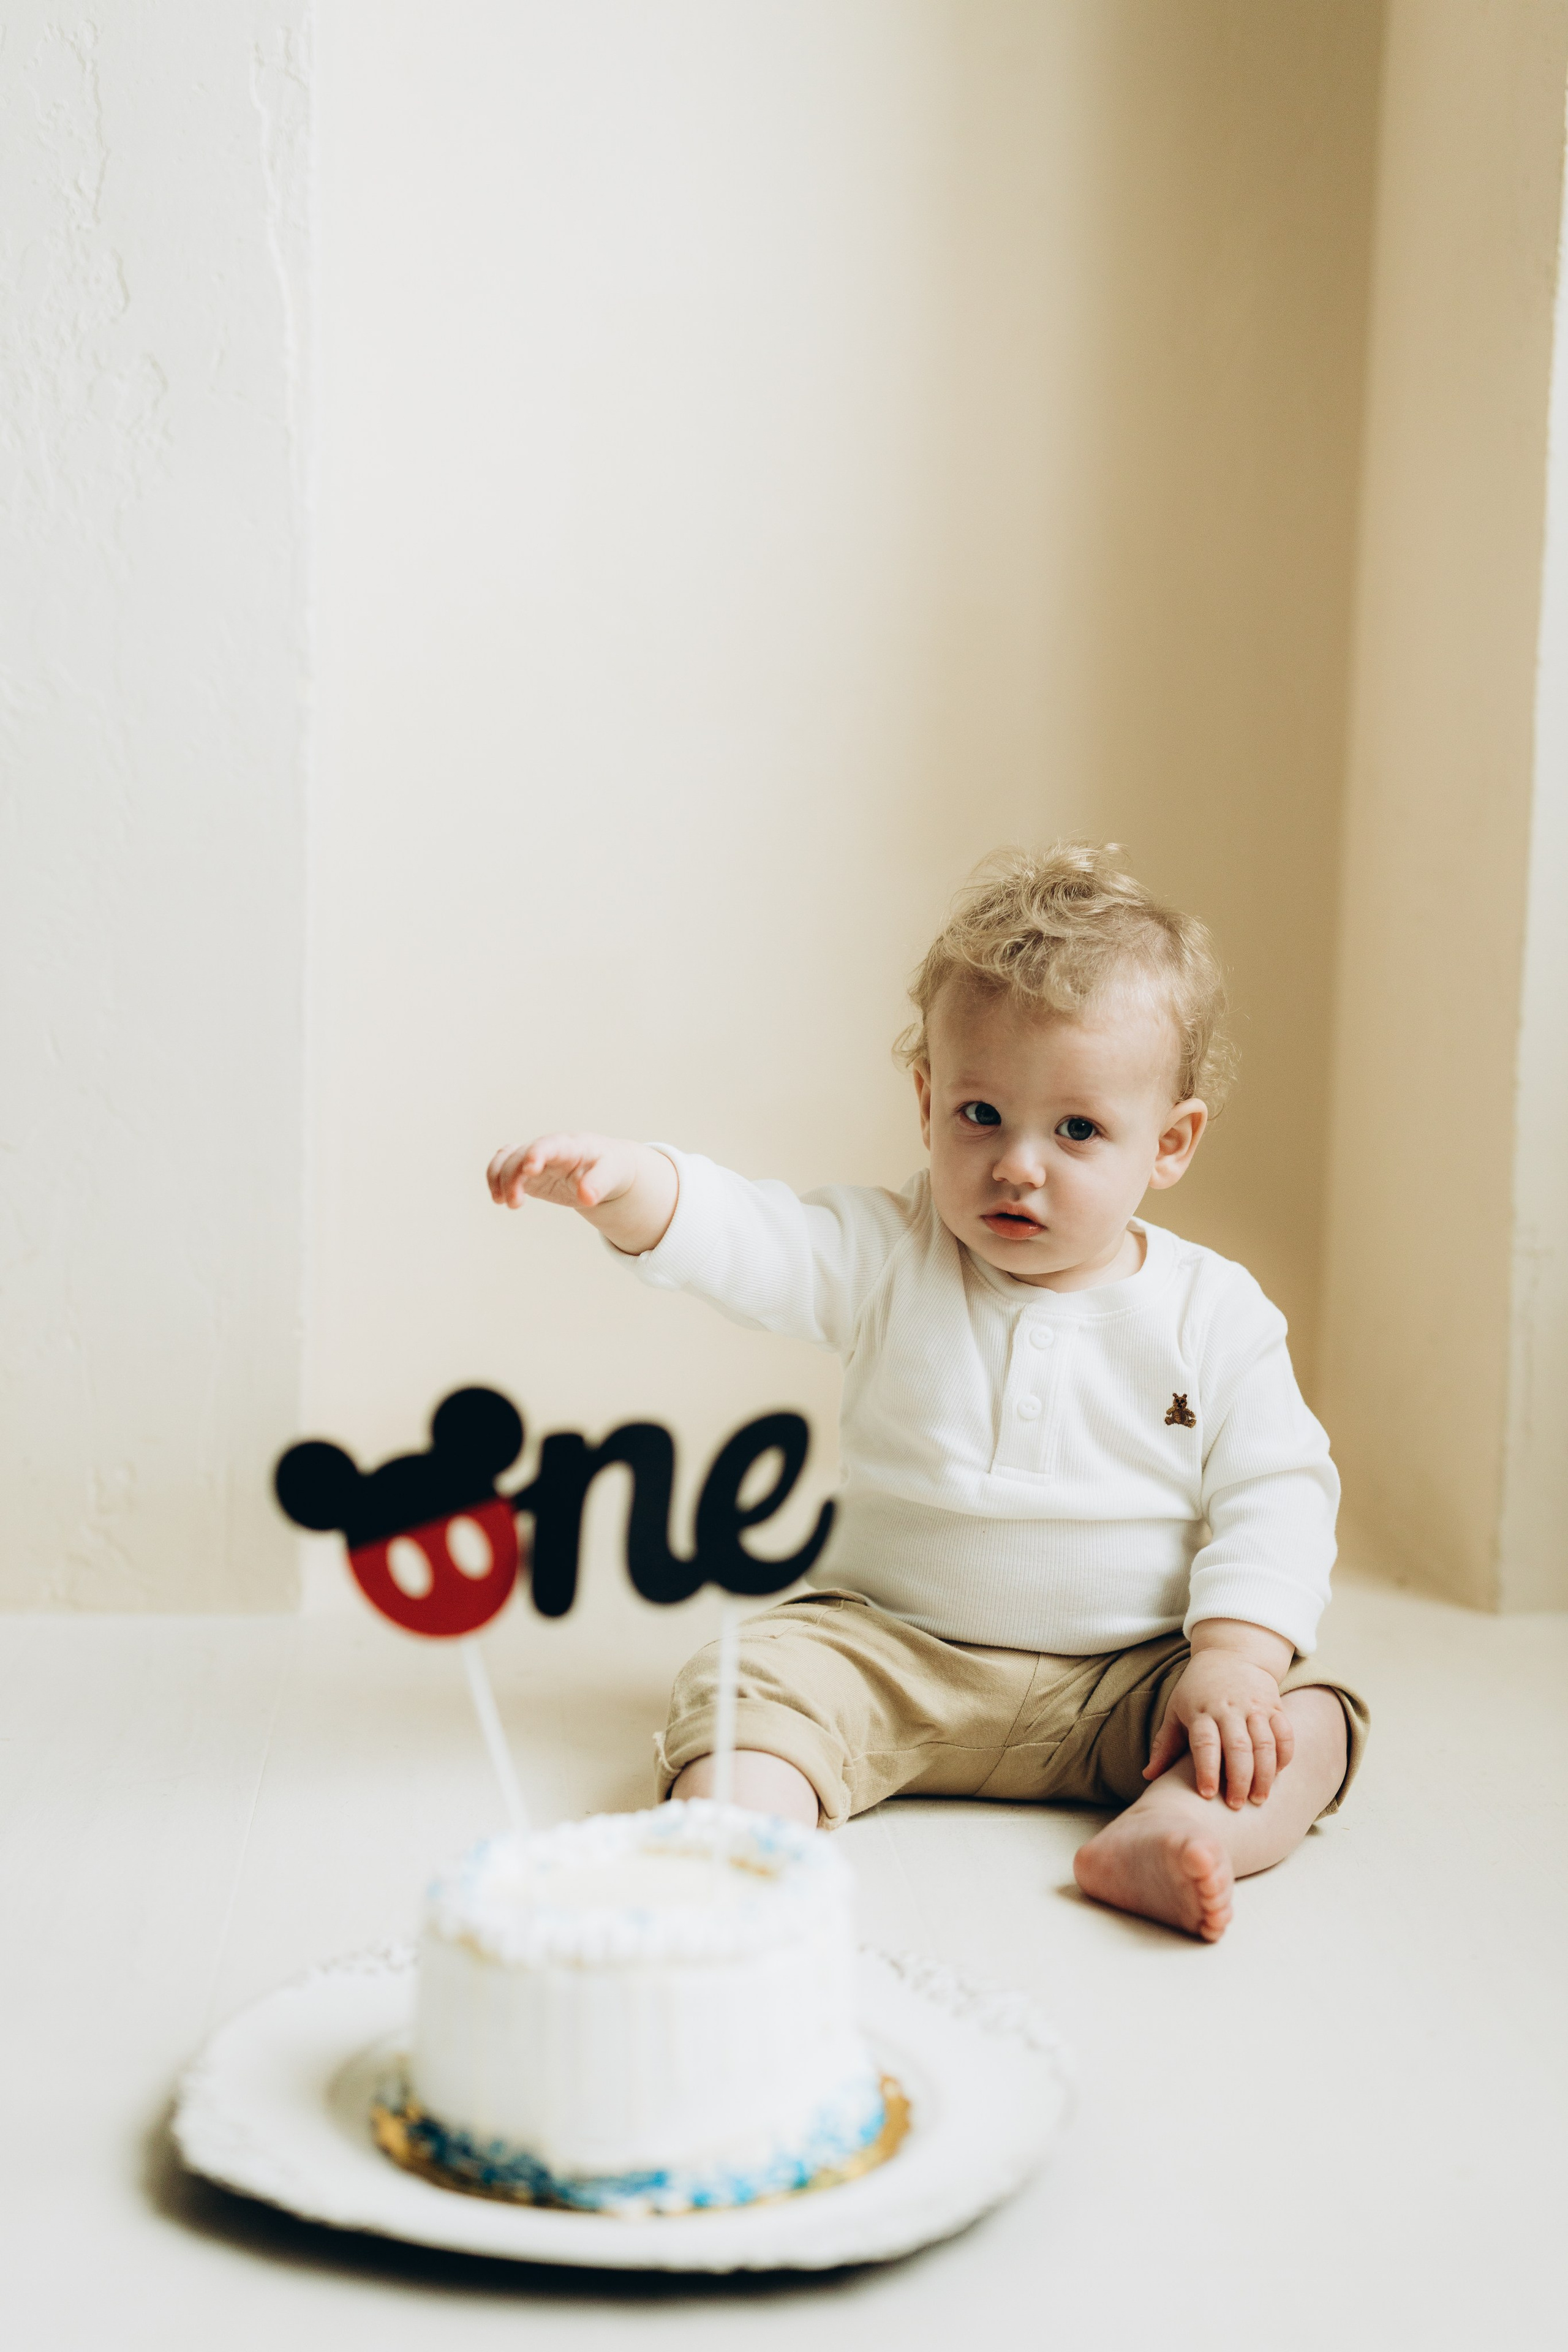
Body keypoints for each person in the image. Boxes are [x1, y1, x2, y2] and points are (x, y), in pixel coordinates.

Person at [486, 844, 1366, 1942]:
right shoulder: (891, 1255)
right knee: (750, 1683)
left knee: (1308, 1720)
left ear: (1170, 1143)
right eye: (981, 1114)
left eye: (1077, 1130)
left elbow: (1278, 1492)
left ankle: (1175, 1830)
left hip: (1130, 1683)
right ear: (927, 1101)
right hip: (889, 1656)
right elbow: (757, 1239)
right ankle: (742, 1847)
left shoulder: (1215, 1313)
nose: (1018, 1165)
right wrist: (633, 1186)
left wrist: (1235, 1657)